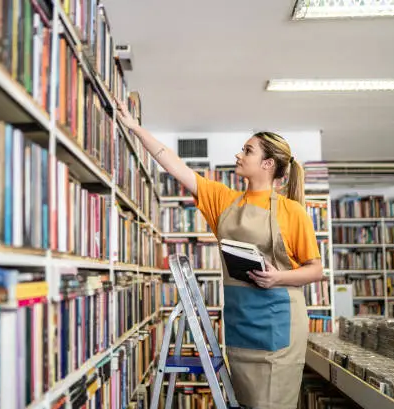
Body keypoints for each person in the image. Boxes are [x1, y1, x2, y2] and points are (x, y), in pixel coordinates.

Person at [115, 99, 324, 409]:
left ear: (268, 164)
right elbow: (174, 165)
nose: (239, 155)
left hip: (279, 324)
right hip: (240, 324)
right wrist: (135, 128)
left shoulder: (292, 212)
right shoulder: (224, 200)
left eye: (248, 151)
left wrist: (278, 277)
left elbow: (316, 270)